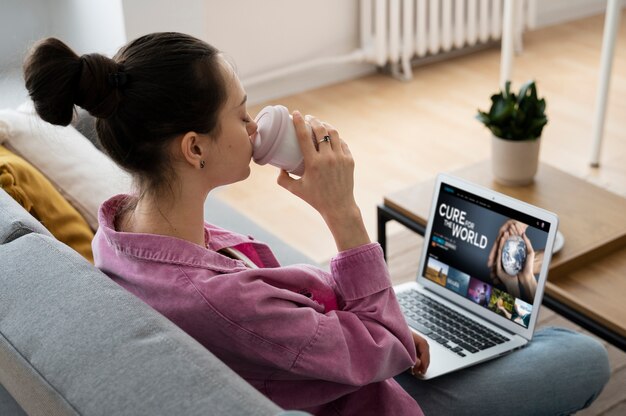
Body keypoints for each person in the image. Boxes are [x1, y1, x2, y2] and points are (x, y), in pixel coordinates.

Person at [23, 32, 610, 415]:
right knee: (578, 355)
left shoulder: (123, 233)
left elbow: (281, 313)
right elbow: (380, 348)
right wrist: (344, 213)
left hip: (340, 363)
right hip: (373, 395)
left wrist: (384, 326)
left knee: (523, 343)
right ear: (195, 149)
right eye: (241, 113)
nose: (255, 127)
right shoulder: (220, 300)